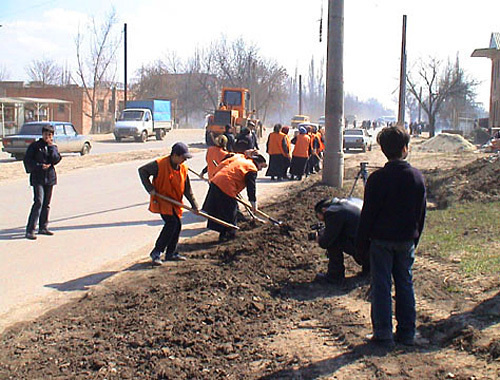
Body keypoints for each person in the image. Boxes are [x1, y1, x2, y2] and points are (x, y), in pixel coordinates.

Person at [356, 126, 426, 347]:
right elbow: (421, 213)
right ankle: (407, 333)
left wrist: (361, 243)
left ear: (382, 150)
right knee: (405, 284)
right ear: (405, 149)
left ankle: (383, 333)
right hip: (406, 240)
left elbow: (367, 214)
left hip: (380, 241)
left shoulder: (377, 179)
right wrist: (415, 238)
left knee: (381, 286)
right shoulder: (416, 177)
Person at [139, 142, 200, 266]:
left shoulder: (183, 169)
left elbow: (187, 190)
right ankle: (156, 252)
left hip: (175, 202)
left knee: (177, 225)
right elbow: (142, 171)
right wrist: (150, 189)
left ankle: (171, 253)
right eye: (183, 157)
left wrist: (194, 205)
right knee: (171, 223)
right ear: (175, 155)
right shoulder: (159, 164)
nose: (185, 160)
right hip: (162, 200)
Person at [202, 153, 267, 242]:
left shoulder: (242, 161)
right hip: (226, 184)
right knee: (229, 212)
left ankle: (224, 232)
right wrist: (253, 204)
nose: (260, 169)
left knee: (222, 209)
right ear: (258, 162)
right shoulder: (251, 168)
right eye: (261, 166)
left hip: (216, 181)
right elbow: (251, 188)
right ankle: (228, 235)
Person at [313, 197, 369, 284]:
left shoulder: (332, 212)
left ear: (323, 210)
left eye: (318, 216)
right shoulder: (346, 204)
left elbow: (327, 241)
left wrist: (319, 238)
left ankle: (334, 276)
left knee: (333, 241)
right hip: (373, 249)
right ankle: (369, 269)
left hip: (365, 251)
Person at [23, 124, 62, 240]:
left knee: (46, 203)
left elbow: (56, 159)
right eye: (45, 134)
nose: (47, 137)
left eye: (49, 135)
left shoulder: (53, 147)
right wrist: (39, 166)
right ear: (42, 134)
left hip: (49, 178)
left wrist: (51, 147)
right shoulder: (35, 146)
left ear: (52, 136)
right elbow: (27, 160)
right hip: (37, 178)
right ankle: (30, 230)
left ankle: (43, 227)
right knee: (38, 202)